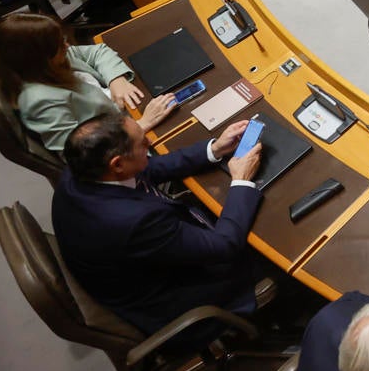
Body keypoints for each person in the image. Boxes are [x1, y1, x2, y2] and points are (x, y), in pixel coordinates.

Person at [52, 112, 267, 335]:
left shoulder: (83, 170)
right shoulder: (133, 222)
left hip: (148, 257)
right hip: (177, 297)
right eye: (142, 143)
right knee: (269, 245)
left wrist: (215, 149)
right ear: (117, 164)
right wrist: (241, 180)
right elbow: (224, 246)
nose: (149, 141)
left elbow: (147, 169)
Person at [0, 12, 172, 155]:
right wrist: (140, 126)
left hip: (128, 110)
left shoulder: (53, 60)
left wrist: (116, 79)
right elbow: (81, 153)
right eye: (60, 45)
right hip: (128, 147)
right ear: (37, 58)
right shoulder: (39, 101)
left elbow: (97, 52)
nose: (67, 46)